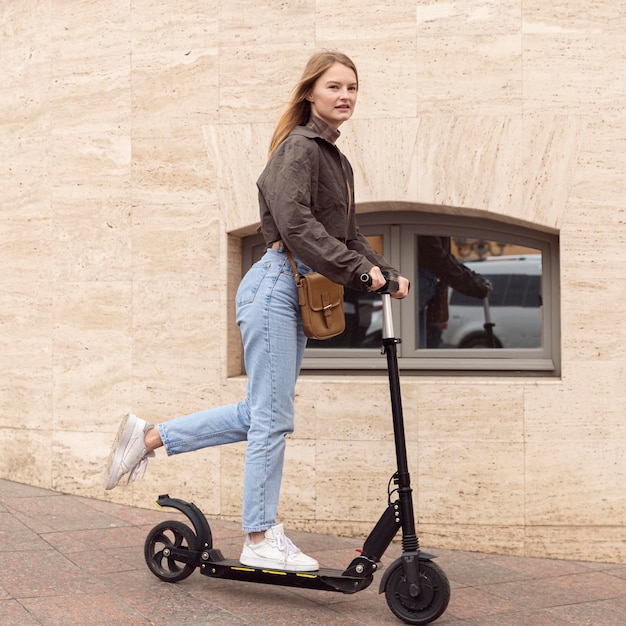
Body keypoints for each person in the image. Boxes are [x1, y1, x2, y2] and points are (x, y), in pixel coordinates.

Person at [105, 51, 410, 572]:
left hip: (291, 291)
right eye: (334, 86)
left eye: (353, 89)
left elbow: (347, 234)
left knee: (261, 414)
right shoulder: (299, 149)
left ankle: (148, 436)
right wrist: (358, 274)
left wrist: (384, 271)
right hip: (275, 285)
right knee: (271, 418)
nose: (345, 96)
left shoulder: (335, 158)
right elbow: (296, 226)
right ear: (310, 92)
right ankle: (260, 536)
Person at [416, 236, 491, 347]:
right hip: (421, 281)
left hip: (426, 284)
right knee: (411, 343)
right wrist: (474, 283)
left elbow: (442, 259)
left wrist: (475, 281)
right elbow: (438, 259)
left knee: (416, 345)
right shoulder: (428, 228)